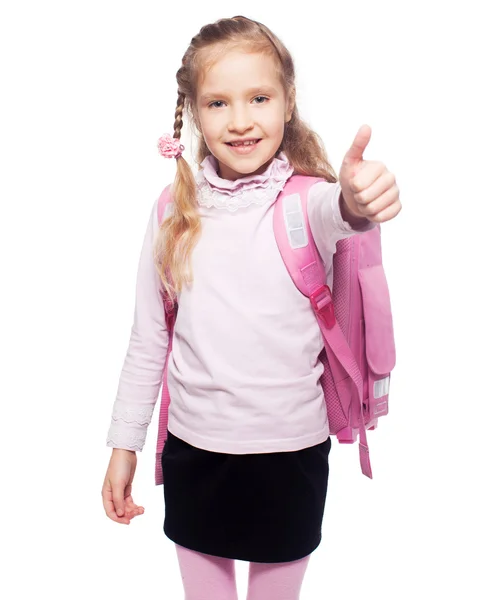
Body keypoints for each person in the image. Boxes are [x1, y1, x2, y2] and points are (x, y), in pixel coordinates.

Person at [101, 14, 401, 600]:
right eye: (218, 103)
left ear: (288, 102)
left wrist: (361, 198)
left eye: (259, 97)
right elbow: (148, 339)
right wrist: (123, 446)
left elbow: (344, 212)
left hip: (290, 454)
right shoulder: (171, 211)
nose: (240, 121)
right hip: (193, 450)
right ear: (192, 112)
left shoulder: (310, 202)